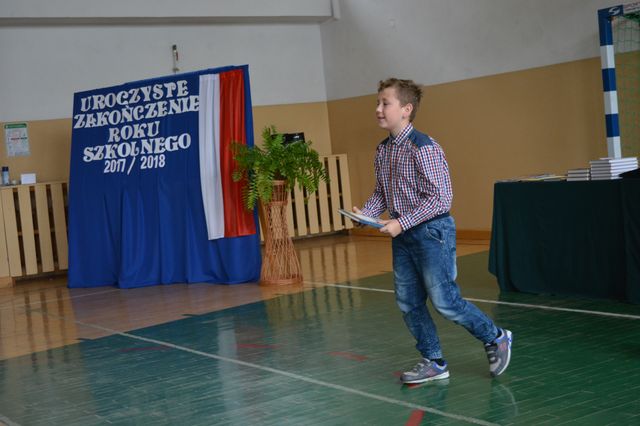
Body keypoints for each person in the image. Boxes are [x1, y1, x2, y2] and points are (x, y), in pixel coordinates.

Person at [355, 78, 512, 384]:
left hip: (432, 233)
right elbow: (383, 193)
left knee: (445, 301)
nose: (378, 109)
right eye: (377, 102)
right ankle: (434, 361)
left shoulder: (423, 148)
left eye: (385, 103)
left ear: (406, 109)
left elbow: (441, 199)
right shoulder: (383, 150)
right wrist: (367, 214)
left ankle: (495, 337)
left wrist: (401, 222)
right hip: (403, 236)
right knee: (409, 303)